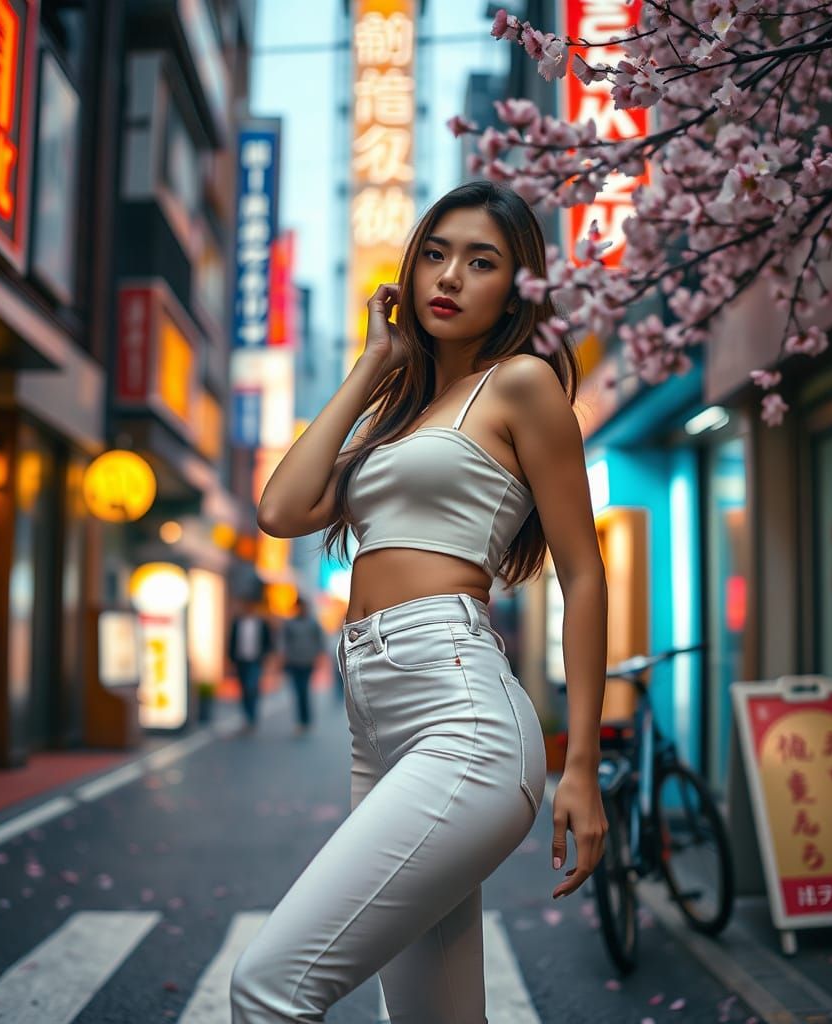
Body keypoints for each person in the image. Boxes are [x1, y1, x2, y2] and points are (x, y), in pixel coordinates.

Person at [230, 180, 609, 1023]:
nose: (449, 277)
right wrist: (373, 365)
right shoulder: (399, 415)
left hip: (462, 714)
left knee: (268, 986)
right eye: (435, 254)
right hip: (378, 727)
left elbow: (583, 573)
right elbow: (282, 510)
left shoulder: (520, 386)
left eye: (482, 262)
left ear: (516, 288)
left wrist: (578, 763)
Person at [227, 597, 276, 735]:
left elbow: (268, 642)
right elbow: (232, 641)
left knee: (251, 687)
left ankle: (252, 717)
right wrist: (231, 660)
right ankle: (247, 716)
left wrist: (266, 657)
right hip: (241, 660)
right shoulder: (237, 623)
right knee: (243, 689)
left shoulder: (261, 623)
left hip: (256, 660)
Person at [279, 595, 326, 734]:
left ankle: (305, 720)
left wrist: (319, 657)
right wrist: (283, 656)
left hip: (308, 661)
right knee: (298, 691)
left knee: (304, 689)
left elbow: (319, 641)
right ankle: (301, 720)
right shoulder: (289, 624)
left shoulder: (313, 623)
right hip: (293, 661)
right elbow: (283, 642)